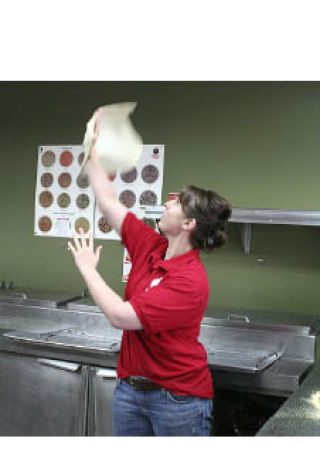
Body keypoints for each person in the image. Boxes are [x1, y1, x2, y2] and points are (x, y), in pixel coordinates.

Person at [68, 110, 232, 436]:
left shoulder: (189, 281)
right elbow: (109, 202)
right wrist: (93, 153)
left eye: (176, 204)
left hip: (178, 400)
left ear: (188, 224)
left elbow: (121, 316)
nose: (166, 205)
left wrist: (88, 270)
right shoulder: (151, 246)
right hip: (130, 390)